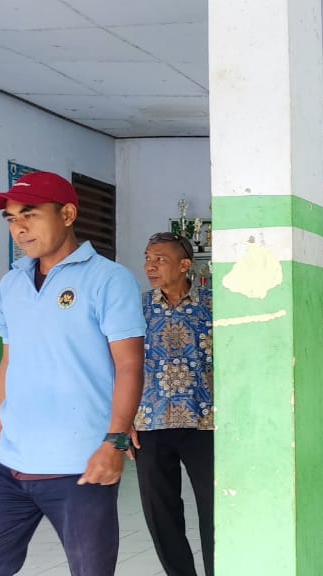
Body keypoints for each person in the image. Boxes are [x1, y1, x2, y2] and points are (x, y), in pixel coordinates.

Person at [0, 172, 145, 576]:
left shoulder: (109, 280)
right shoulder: (11, 284)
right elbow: (9, 364)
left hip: (80, 467)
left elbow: (130, 364)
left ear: (67, 214)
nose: (18, 228)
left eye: (29, 214)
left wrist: (114, 441)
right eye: (10, 219)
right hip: (10, 466)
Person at [137, 232, 215, 576]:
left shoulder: (214, 303)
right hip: (150, 423)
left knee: (216, 510)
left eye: (160, 259)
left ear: (185, 265)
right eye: (148, 259)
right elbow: (119, 364)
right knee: (160, 512)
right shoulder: (136, 307)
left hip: (206, 422)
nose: (150, 266)